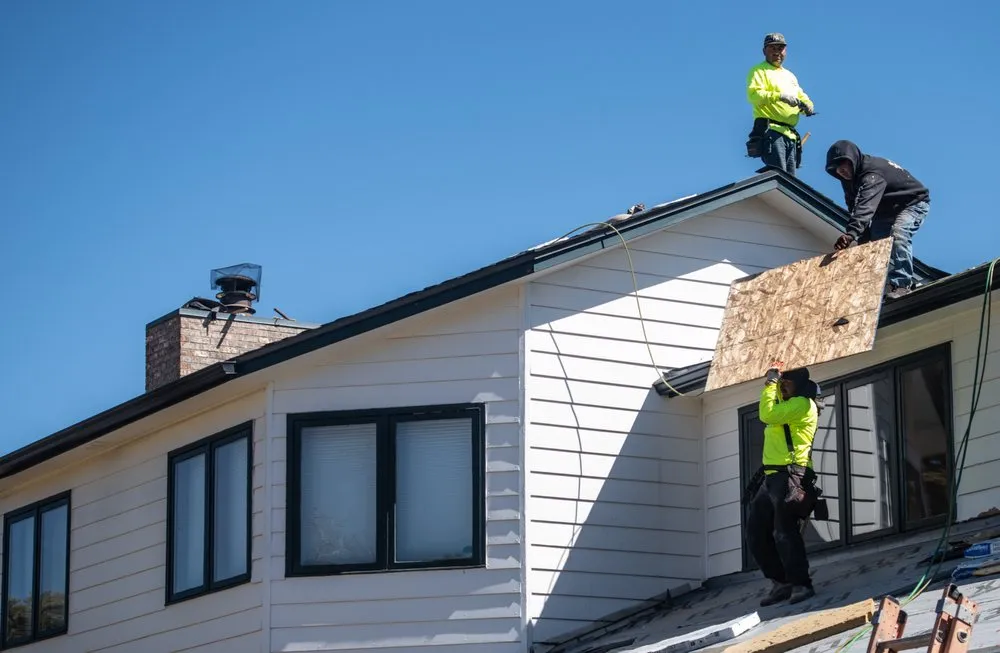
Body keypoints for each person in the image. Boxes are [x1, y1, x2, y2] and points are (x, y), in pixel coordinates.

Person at [746, 363, 820, 606]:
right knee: (756, 531)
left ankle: (801, 584)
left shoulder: (802, 404)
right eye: (781, 384)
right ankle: (781, 582)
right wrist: (774, 384)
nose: (782, 387)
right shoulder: (786, 405)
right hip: (773, 477)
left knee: (784, 532)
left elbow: (766, 414)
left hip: (791, 476)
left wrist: (769, 384)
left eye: (786, 383)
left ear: (799, 385)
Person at [826, 140, 931, 299]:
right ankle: (883, 286)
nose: (842, 173)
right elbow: (853, 205)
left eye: (844, 167)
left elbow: (865, 205)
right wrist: (862, 234)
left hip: (911, 203)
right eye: (839, 171)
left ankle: (902, 283)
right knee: (875, 247)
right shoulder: (848, 180)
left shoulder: (872, 174)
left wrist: (851, 233)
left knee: (899, 235)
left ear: (853, 160)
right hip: (885, 210)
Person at [746, 33, 815, 176]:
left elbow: (801, 96)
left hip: (790, 135)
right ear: (764, 51)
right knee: (779, 176)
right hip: (771, 130)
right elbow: (755, 96)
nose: (777, 52)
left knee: (790, 181)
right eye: (773, 48)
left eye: (781, 48)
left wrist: (807, 105)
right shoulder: (759, 71)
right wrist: (779, 96)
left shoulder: (789, 76)